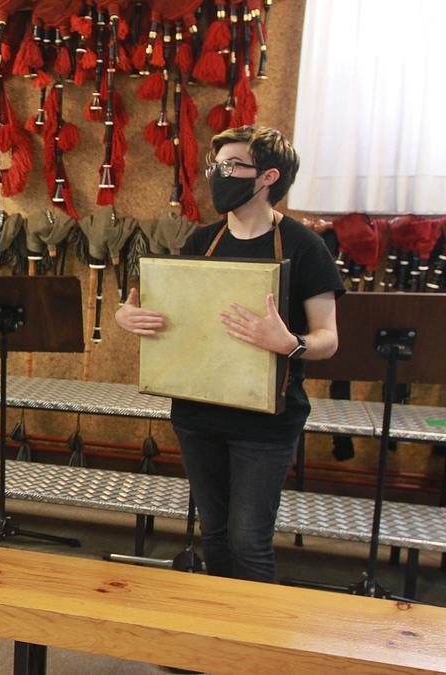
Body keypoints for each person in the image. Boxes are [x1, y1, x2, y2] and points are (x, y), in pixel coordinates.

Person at [115, 125, 343, 582]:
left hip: (266, 422)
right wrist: (129, 317)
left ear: (268, 177)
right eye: (216, 166)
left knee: (248, 540)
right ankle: (216, 644)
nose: (220, 175)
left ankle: (253, 650)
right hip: (198, 414)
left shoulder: (306, 248)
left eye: (233, 166)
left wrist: (290, 344)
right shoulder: (203, 242)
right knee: (215, 534)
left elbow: (328, 338)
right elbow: (172, 319)